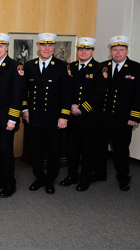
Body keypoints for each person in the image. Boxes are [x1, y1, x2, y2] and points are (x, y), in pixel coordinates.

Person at [23, 33, 72, 194]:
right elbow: (23, 92)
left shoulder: (62, 66)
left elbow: (67, 94)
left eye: (50, 45)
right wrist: (25, 110)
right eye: (43, 45)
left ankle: (50, 180)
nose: (46, 48)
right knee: (35, 150)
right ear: (38, 47)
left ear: (54, 48)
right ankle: (39, 177)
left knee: (54, 151)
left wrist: (64, 116)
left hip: (54, 118)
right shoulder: (29, 65)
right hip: (34, 117)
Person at [59, 37, 107, 192]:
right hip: (72, 117)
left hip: (89, 117)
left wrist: (83, 108)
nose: (83, 52)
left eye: (87, 49)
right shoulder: (70, 67)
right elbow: (66, 90)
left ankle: (85, 179)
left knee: (88, 150)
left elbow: (99, 94)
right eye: (81, 49)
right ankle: (72, 176)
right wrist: (70, 107)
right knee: (71, 149)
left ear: (92, 51)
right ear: (77, 50)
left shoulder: (99, 68)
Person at [94, 35, 140, 191]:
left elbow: (138, 95)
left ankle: (123, 177)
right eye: (115, 50)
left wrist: (135, 116)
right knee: (99, 148)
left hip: (122, 118)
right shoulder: (102, 67)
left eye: (121, 50)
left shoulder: (136, 68)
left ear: (127, 51)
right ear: (110, 51)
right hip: (103, 117)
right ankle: (100, 173)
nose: (118, 53)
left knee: (120, 150)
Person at [0, 33, 25, 198]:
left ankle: (10, 184)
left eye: (0, 46)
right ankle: (2, 179)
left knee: (6, 152)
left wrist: (13, 119)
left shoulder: (15, 67)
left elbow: (18, 95)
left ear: (7, 48)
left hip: (7, 120)